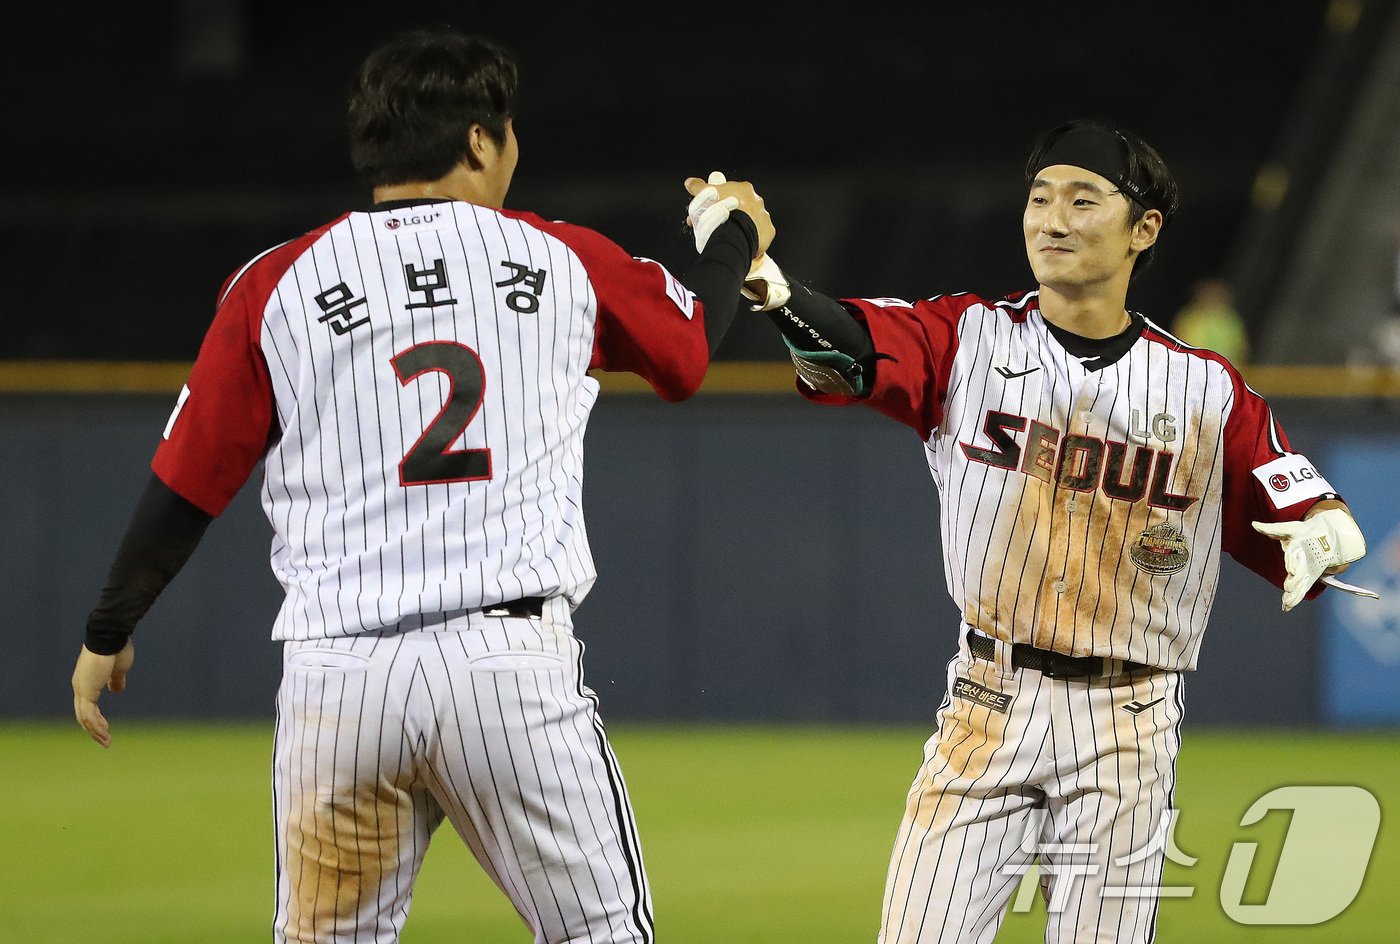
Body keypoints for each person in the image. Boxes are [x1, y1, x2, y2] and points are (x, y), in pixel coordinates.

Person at [70, 28, 770, 944]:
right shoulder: (557, 258)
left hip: (339, 681)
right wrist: (730, 238)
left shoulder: (274, 285)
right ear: (480, 140)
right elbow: (684, 355)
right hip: (503, 669)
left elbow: (187, 479)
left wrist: (108, 627)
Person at [690, 120, 1376, 943]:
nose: (1051, 218)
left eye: (1083, 199)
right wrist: (768, 284)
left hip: (1130, 720)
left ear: (1143, 229)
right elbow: (856, 351)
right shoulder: (968, 338)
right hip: (988, 702)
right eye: (1040, 197)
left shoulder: (1206, 390)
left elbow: (1306, 506)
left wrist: (1324, 531)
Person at [1171, 277, 1249, 364]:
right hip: (1194, 366)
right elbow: (1179, 345)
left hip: (1225, 367)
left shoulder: (1231, 319)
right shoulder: (1188, 318)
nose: (1212, 298)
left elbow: (1240, 347)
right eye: (1209, 294)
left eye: (1217, 295)